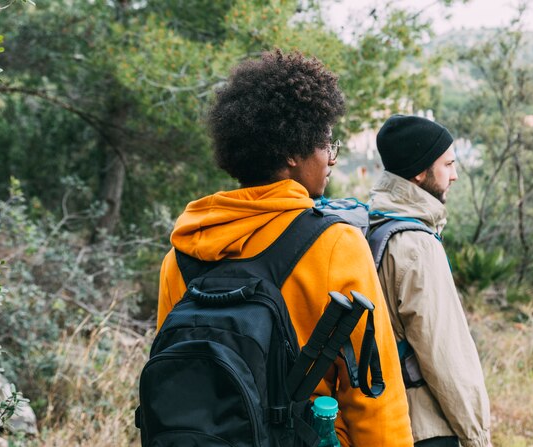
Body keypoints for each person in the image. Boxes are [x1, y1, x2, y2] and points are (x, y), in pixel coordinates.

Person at [156, 50, 414, 447]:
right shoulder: (335, 244)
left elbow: (174, 376)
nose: (331, 158)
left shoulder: (184, 252)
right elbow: (371, 393)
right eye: (326, 144)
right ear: (293, 152)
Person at [368, 115, 492, 447]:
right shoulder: (417, 246)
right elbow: (445, 358)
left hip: (385, 416)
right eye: (448, 164)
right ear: (420, 172)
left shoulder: (374, 222)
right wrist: (478, 438)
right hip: (427, 428)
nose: (454, 175)